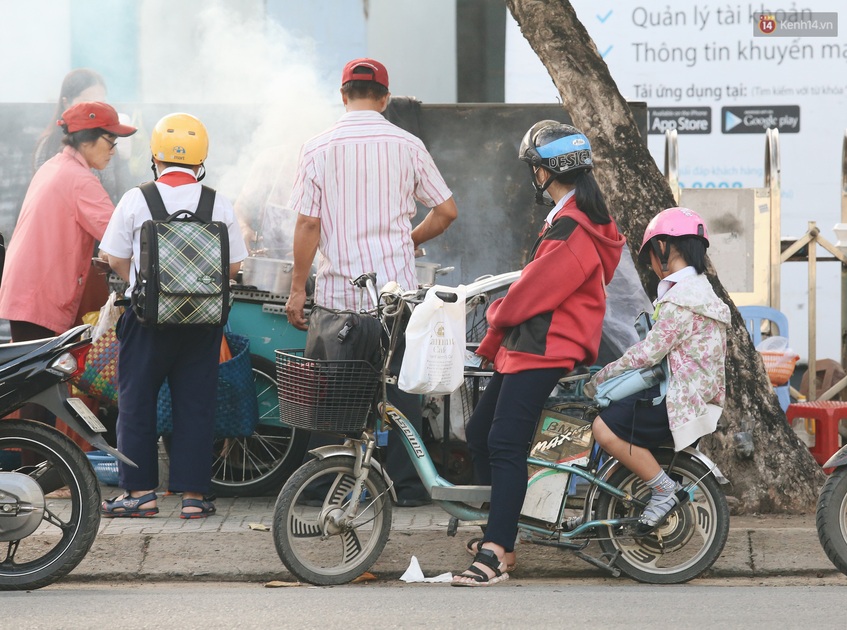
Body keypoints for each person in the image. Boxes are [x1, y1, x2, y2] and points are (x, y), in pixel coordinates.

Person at [452, 121, 625, 586]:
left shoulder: (572, 227)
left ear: (548, 171)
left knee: (506, 443)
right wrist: (494, 338)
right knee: (480, 431)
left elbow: (531, 292)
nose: (533, 176)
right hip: (532, 345)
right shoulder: (569, 218)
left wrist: (494, 315)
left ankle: (495, 554)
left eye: (534, 168)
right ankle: (502, 537)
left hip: (545, 348)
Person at [285, 58, 458, 507]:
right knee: (401, 391)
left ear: (343, 95)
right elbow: (446, 211)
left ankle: (323, 486)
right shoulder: (408, 145)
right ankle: (406, 486)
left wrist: (297, 287)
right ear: (384, 98)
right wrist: (410, 239)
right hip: (394, 300)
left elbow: (307, 224)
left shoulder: (317, 148)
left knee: (331, 393)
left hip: (338, 297)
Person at [98, 113, 248, 518]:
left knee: (136, 403)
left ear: (156, 158)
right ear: (201, 161)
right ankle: (194, 499)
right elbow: (233, 268)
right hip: (202, 323)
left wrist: (144, 282)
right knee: (196, 406)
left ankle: (140, 494)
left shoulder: (136, 198)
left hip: (146, 321)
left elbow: (113, 257)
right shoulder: (217, 201)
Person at [584, 207, 731, 533]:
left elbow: (649, 352)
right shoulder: (700, 290)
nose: (650, 263)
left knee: (603, 428)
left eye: (651, 252)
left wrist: (603, 375)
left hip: (680, 398)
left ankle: (664, 490)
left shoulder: (683, 299)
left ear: (663, 248)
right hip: (688, 393)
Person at [0, 101, 136, 345]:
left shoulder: (54, 166)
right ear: (86, 140)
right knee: (38, 378)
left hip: (28, 289)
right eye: (111, 140)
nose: (114, 150)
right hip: (40, 293)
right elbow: (121, 235)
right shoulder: (80, 180)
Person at [32, 68, 131, 205]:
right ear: (66, 102)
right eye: (88, 102)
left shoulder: (107, 141)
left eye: (101, 102)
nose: (96, 110)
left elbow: (121, 191)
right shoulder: (49, 145)